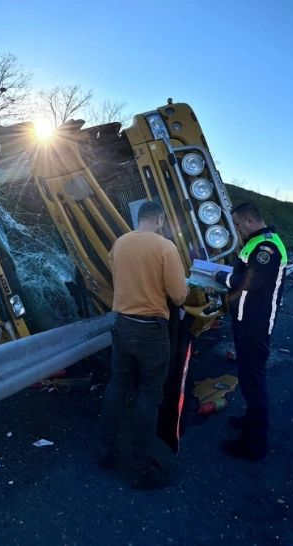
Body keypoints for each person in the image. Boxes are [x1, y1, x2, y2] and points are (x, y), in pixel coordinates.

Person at [97, 200, 188, 489]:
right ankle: (140, 467)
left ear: (139, 218)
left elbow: (119, 276)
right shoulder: (165, 248)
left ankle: (104, 452)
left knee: (117, 386)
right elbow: (179, 296)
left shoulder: (120, 243)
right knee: (149, 396)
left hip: (121, 324)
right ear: (160, 219)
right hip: (150, 330)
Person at [213, 202, 287, 462]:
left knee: (253, 382)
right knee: (247, 378)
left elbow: (249, 281)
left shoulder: (266, 248)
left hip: (255, 325)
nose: (236, 229)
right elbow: (241, 268)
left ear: (250, 222)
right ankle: (249, 419)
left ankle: (253, 445)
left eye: (237, 225)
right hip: (246, 321)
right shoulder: (255, 243)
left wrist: (221, 278)